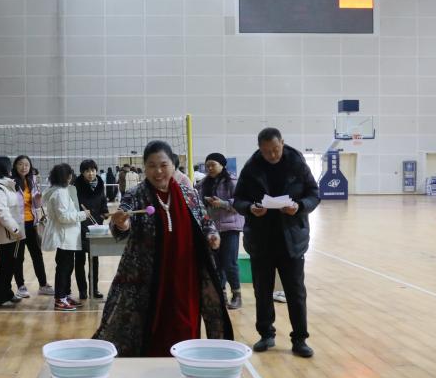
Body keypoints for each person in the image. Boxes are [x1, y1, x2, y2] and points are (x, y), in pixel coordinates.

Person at [94, 140, 233, 357]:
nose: (158, 171)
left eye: (163, 165)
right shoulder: (135, 194)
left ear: (173, 166)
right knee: (149, 327)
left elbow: (205, 221)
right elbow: (122, 221)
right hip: (148, 278)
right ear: (144, 167)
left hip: (186, 276)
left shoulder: (189, 194)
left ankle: (185, 363)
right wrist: (121, 223)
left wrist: (212, 235)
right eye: (151, 166)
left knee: (185, 325)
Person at [233, 128, 320, 358]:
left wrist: (299, 206)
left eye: (275, 150)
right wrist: (250, 208)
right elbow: (238, 199)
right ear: (259, 149)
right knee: (262, 292)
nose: (272, 155)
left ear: (282, 142)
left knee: (296, 292)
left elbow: (314, 194)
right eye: (266, 151)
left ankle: (300, 339)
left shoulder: (298, 165)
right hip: (260, 240)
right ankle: (266, 334)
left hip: (292, 240)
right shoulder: (251, 168)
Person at [42, 163, 92, 311]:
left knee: (67, 267)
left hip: (67, 237)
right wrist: (83, 214)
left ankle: (64, 295)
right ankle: (60, 299)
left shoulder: (60, 191)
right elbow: (63, 217)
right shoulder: (60, 193)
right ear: (67, 176)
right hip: (64, 237)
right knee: (63, 268)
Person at [198, 152, 244, 310]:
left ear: (222, 165)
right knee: (216, 263)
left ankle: (237, 295)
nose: (209, 168)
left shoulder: (232, 181)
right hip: (211, 229)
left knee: (229, 263)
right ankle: (220, 294)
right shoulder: (203, 183)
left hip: (230, 227)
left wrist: (223, 204)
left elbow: (241, 203)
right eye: (207, 165)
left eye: (213, 165)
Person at [12, 155, 54, 297]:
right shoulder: (11, 183)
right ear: (15, 166)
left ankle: (43, 284)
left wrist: (39, 197)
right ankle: (21, 286)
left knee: (37, 254)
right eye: (20, 164)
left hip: (32, 224)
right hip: (18, 225)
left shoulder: (32, 181)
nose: (24, 167)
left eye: (26, 165)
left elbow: (36, 205)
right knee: (19, 257)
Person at [0, 156, 25, 308]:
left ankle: (7, 293)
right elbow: (1, 213)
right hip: (6, 235)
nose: (11, 169)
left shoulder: (6, 185)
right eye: (9, 166)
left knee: (10, 266)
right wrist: (15, 229)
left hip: (13, 234)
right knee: (3, 268)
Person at [74, 159, 109, 300]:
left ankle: (94, 289)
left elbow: (103, 201)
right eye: (87, 171)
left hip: (96, 228)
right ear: (82, 173)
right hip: (79, 227)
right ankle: (82, 290)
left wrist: (105, 212)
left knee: (94, 259)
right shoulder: (75, 186)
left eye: (93, 170)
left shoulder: (100, 184)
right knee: (80, 260)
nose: (90, 173)